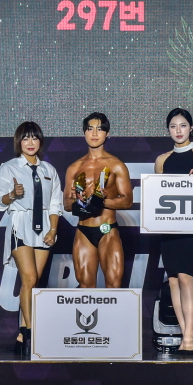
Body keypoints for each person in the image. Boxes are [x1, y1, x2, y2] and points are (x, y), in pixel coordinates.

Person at [0, 122, 64, 354]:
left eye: (34, 138)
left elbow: (56, 203)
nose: (30, 143)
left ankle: (22, 334)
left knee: (34, 282)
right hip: (20, 225)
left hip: (44, 229)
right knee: (29, 278)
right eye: (25, 138)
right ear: (18, 142)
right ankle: (32, 331)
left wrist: (53, 230)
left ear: (40, 141)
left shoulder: (49, 170)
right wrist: (12, 195)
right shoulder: (9, 168)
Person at [153, 107, 193, 353]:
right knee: (172, 280)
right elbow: (157, 194)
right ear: (168, 130)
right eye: (173, 126)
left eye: (182, 125)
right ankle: (185, 332)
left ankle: (189, 335)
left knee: (185, 276)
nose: (178, 130)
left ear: (191, 127)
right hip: (168, 228)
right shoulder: (162, 160)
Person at [62, 112, 134, 290]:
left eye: (99, 129)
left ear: (107, 133)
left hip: (107, 229)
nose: (94, 133)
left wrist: (100, 201)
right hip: (83, 231)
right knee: (85, 286)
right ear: (84, 132)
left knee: (114, 285)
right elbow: (67, 205)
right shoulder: (74, 167)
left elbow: (127, 201)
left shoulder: (116, 165)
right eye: (90, 129)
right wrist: (77, 200)